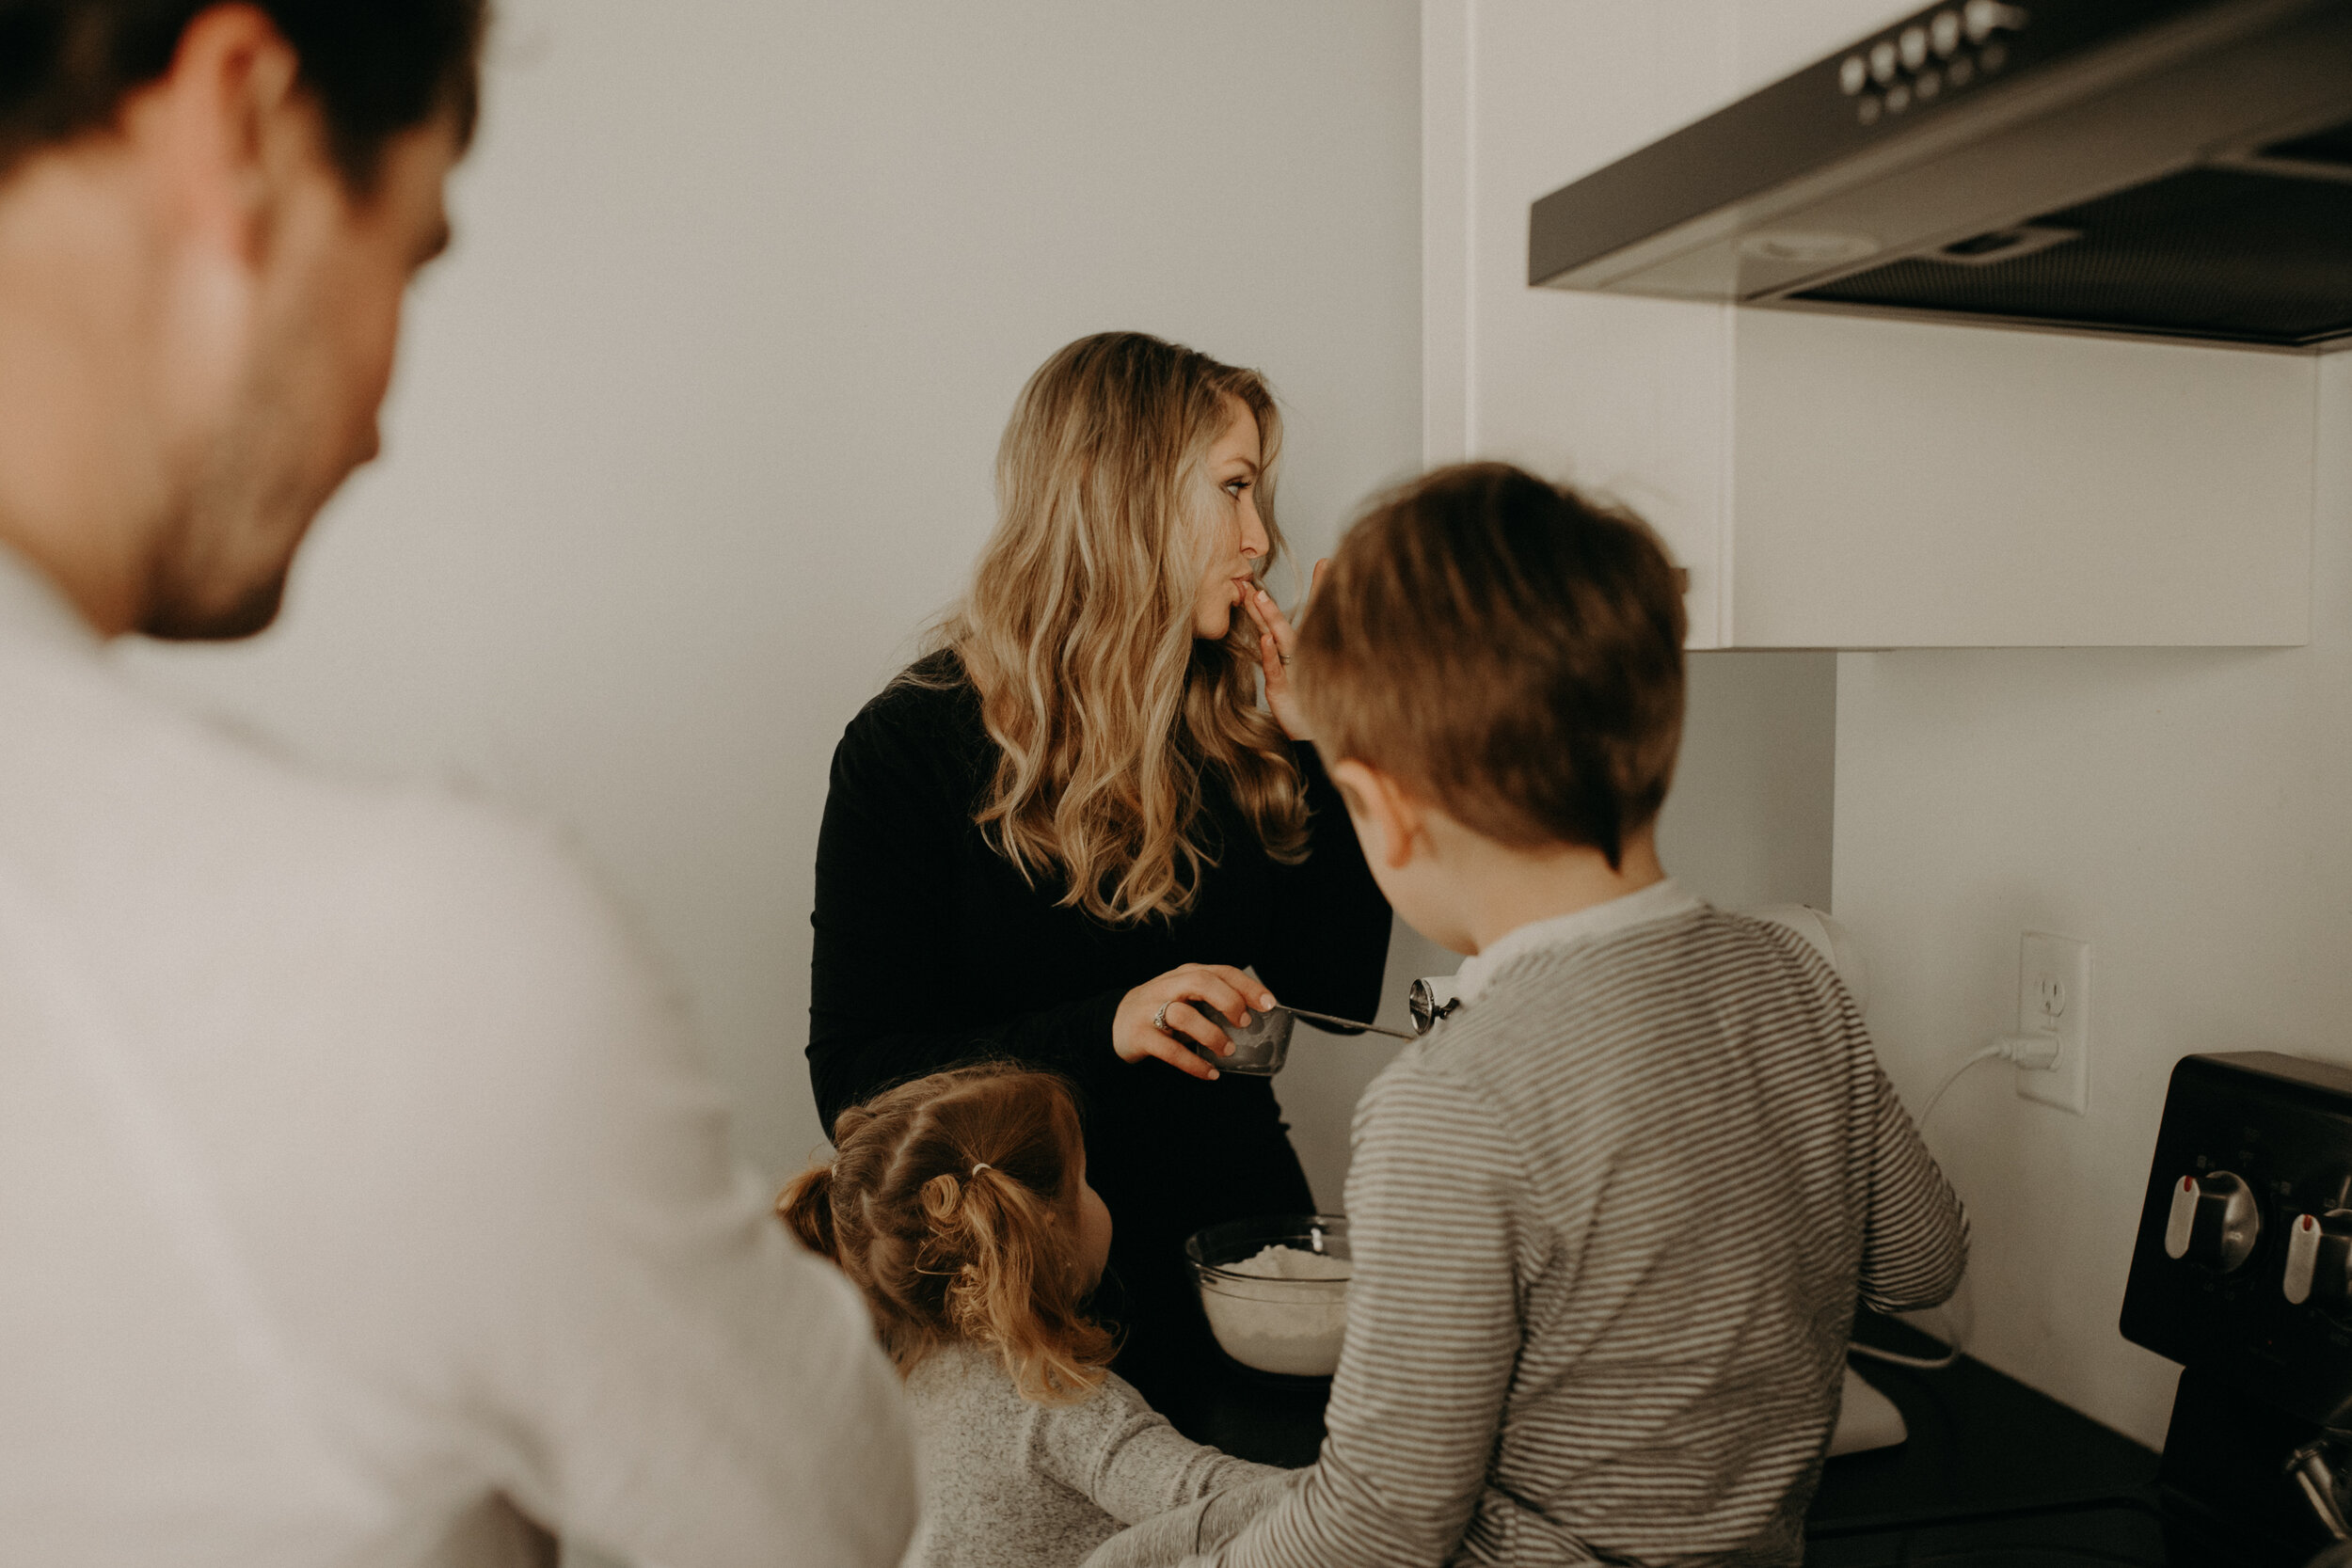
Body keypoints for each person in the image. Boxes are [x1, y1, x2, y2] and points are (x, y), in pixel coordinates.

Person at [0, 6, 914, 1564]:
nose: (373, 423)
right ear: (249, 125)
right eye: (411, 260)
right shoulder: (414, 956)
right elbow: (833, 1517)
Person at [1091, 463, 1971, 1567]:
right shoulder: (1793, 976)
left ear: (1384, 812)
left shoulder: (1452, 1100)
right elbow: (1924, 1264)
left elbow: (1377, 1525)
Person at [806, 331, 1391, 1403]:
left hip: (1242, 1281)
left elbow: (1338, 990)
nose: (1260, 538)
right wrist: (1107, 1026)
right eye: (1233, 489)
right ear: (1122, 498)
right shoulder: (909, 748)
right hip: (1031, 1303)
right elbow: (854, 1084)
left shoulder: (1228, 723)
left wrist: (1323, 745)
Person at [781, 1063, 1298, 1567]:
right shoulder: (1058, 1403)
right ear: (1047, 1225)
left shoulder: (905, 1379)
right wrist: (1361, 1481)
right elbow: (1210, 1499)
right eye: (1084, 1178)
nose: (1097, 1193)